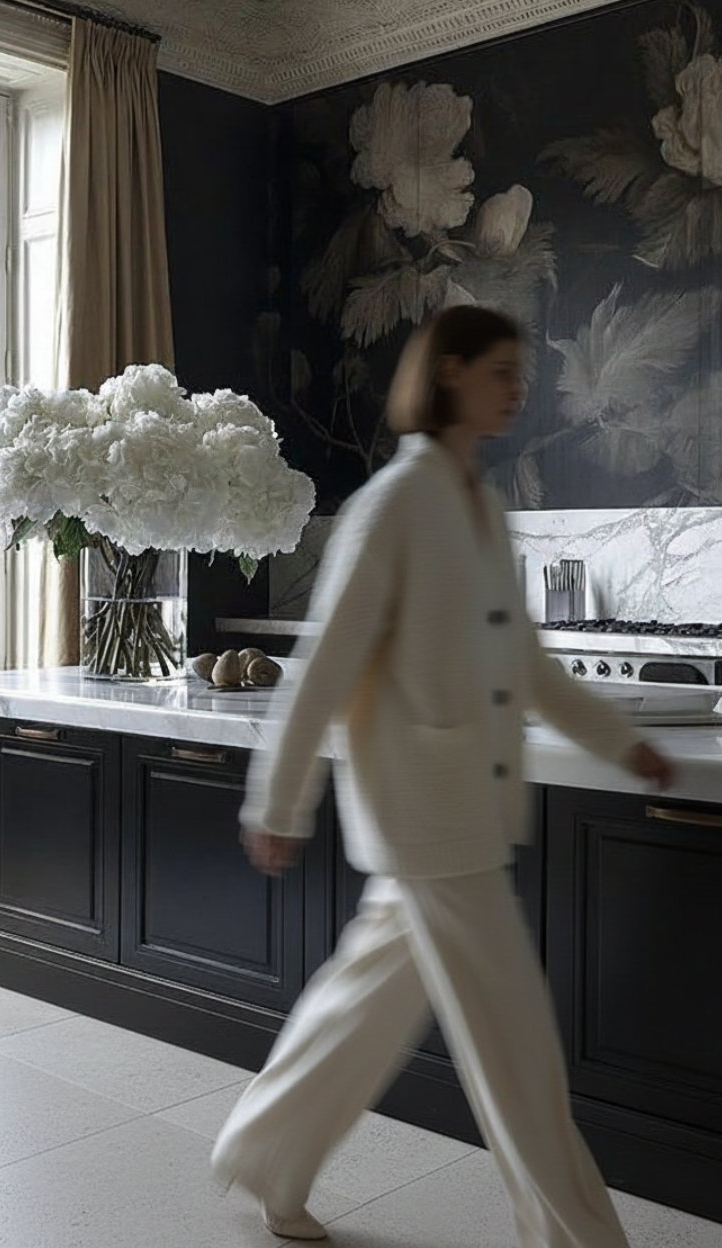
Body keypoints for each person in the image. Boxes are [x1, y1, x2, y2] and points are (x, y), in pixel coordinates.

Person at [210, 305, 675, 1246]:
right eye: (503, 370)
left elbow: (530, 668)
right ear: (452, 374)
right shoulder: (395, 505)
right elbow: (329, 663)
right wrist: (279, 798)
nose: (521, 387)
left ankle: (270, 1158)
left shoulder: (480, 507)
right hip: (427, 818)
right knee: (517, 1050)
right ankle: (580, 1236)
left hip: (461, 809)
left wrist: (621, 739)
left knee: (366, 1005)